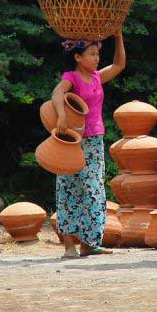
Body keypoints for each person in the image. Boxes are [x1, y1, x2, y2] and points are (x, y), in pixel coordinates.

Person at [51, 31, 126, 258]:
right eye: (92, 54)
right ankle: (68, 246)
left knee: (93, 189)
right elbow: (57, 93)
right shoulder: (71, 78)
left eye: (97, 54)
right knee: (68, 187)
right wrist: (62, 116)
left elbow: (119, 64)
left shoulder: (96, 77)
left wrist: (119, 35)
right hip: (72, 141)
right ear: (77, 57)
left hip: (94, 140)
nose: (96, 58)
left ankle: (88, 242)